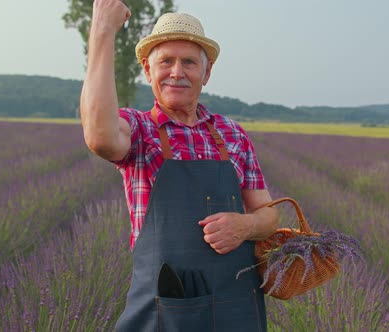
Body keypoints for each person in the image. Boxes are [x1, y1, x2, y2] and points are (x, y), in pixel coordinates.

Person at [81, 0, 279, 330]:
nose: (177, 72)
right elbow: (100, 136)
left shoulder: (232, 134)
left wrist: (245, 226)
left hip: (237, 309)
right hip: (165, 311)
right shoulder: (141, 130)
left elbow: (269, 214)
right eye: (166, 62)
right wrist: (102, 31)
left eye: (189, 62)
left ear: (207, 72)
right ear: (148, 70)